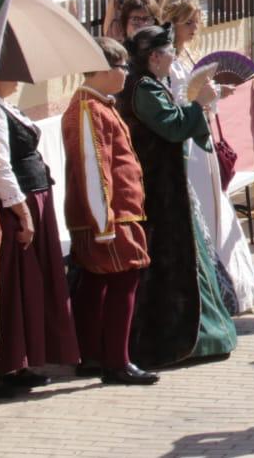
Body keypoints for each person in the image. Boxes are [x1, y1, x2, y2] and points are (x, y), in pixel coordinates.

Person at [118, 24, 237, 368]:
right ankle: (171, 338)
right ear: (155, 56)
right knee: (170, 260)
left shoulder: (152, 85)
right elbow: (171, 125)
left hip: (168, 184)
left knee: (187, 254)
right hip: (158, 188)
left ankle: (201, 334)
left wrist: (202, 106)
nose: (174, 55)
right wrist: (199, 105)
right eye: (169, 51)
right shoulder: (143, 88)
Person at [62, 38, 158, 386]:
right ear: (103, 69)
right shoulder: (89, 109)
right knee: (122, 282)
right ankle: (117, 361)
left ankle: (94, 355)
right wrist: (103, 222)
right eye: (122, 67)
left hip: (110, 214)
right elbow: (94, 168)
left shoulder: (97, 105)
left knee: (97, 284)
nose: (126, 73)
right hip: (110, 216)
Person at [165, 0, 254, 314]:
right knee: (204, 205)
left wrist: (216, 93)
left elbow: (198, 95)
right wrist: (202, 97)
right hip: (188, 141)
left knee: (216, 203)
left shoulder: (187, 56)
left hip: (201, 134)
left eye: (196, 23)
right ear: (174, 24)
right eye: (188, 24)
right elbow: (178, 100)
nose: (194, 30)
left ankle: (230, 283)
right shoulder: (168, 62)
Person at [0, 80, 78, 397]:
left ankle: (23, 359)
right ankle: (9, 363)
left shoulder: (5, 106)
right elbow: (0, 166)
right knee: (17, 285)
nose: (19, 81)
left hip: (33, 197)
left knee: (31, 285)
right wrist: (22, 211)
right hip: (17, 204)